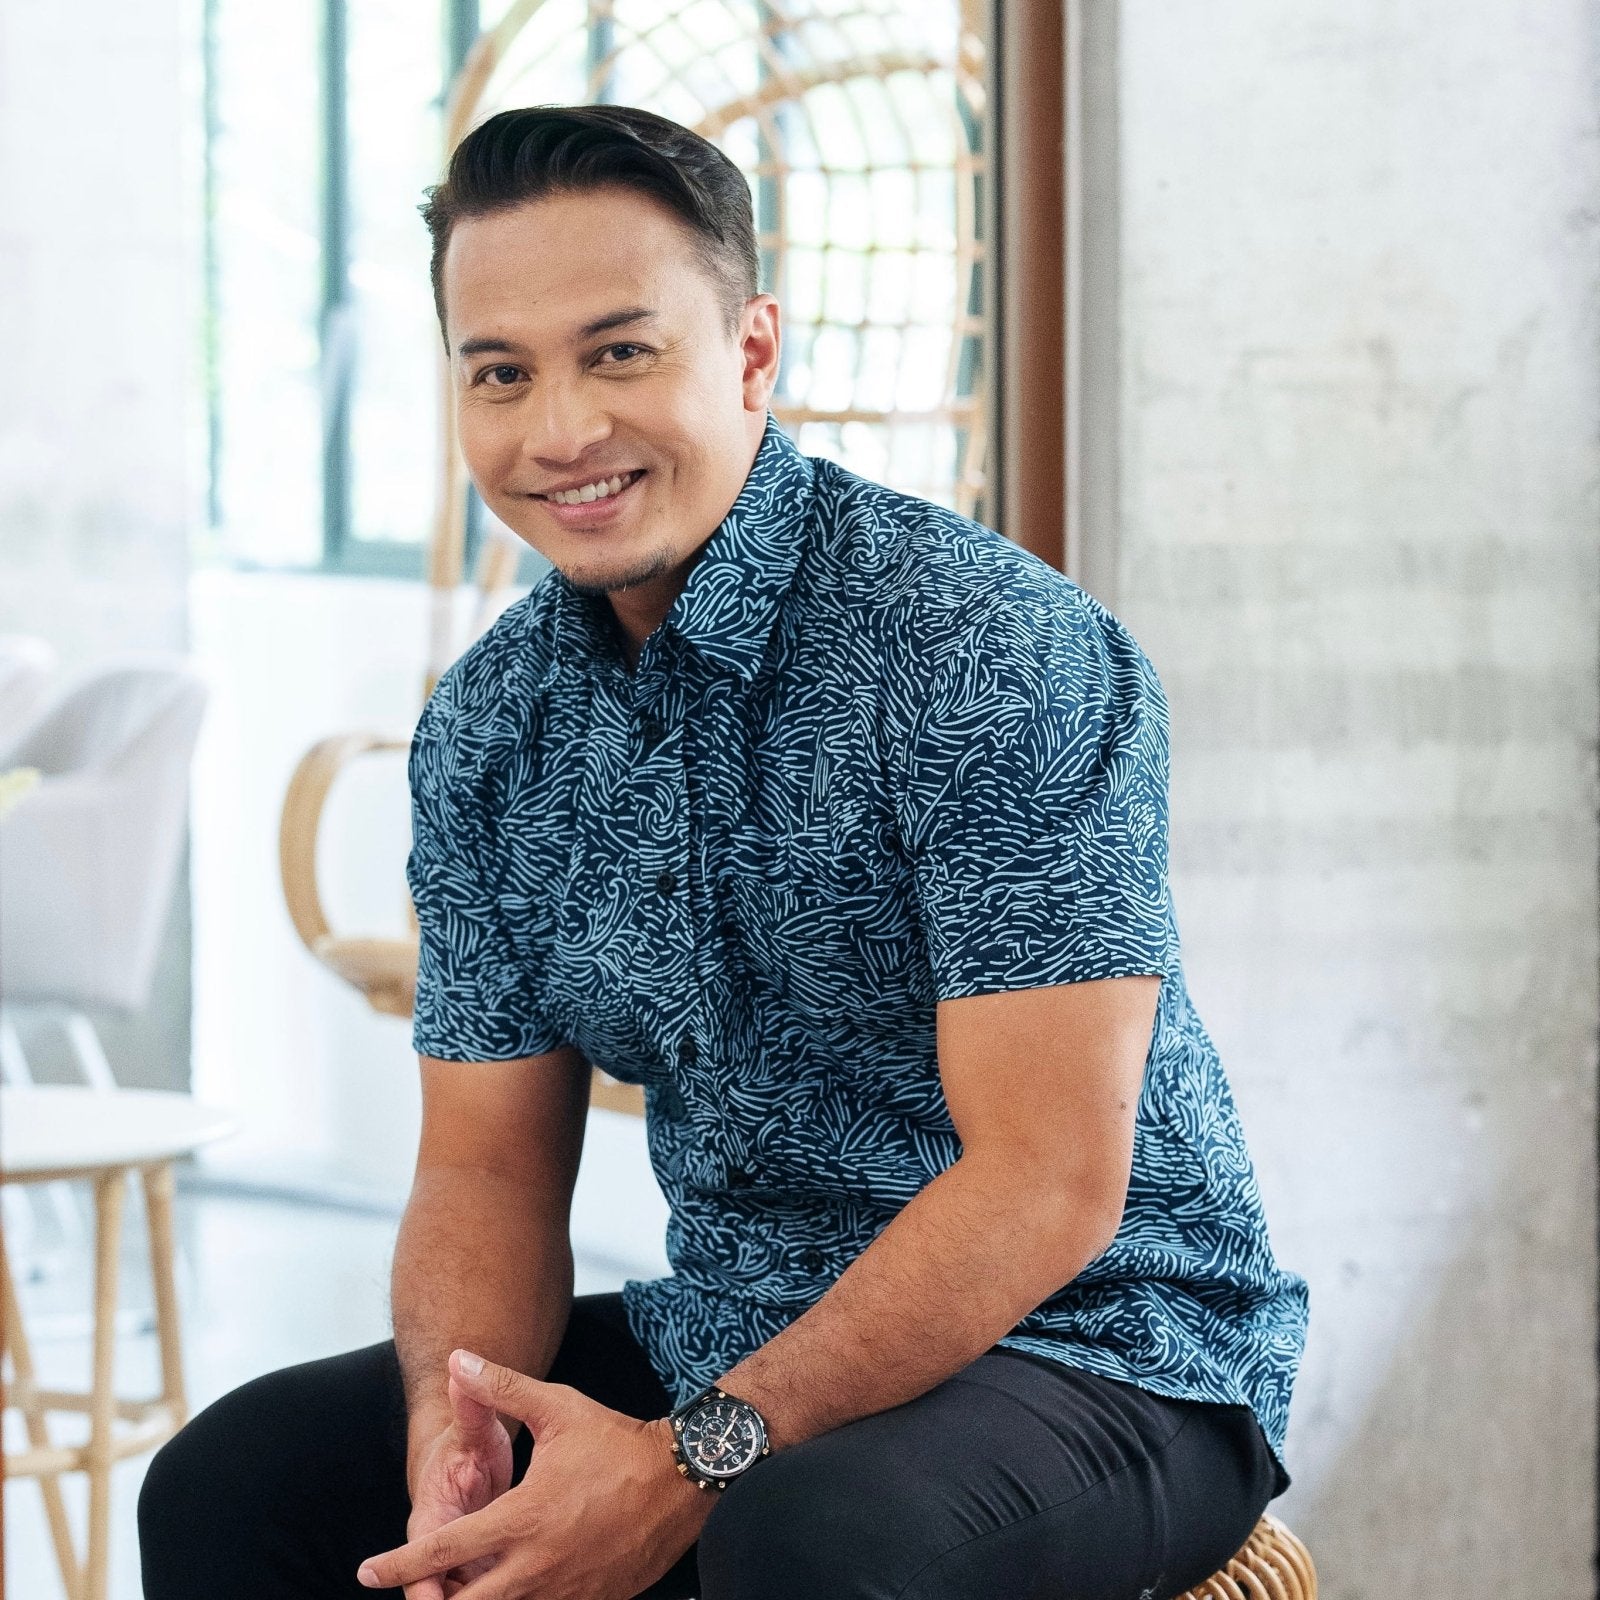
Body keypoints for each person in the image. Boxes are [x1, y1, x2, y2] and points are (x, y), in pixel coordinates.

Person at [139, 103, 1308, 1600]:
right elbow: (487, 1167)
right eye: (501, 373)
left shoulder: (982, 649)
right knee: (237, 1484)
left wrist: (695, 1458)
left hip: (1106, 1346)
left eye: (619, 352)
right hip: (738, 1320)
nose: (558, 430)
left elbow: (1050, 1183)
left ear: (752, 352)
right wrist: (456, 1420)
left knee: (806, 1538)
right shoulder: (490, 730)